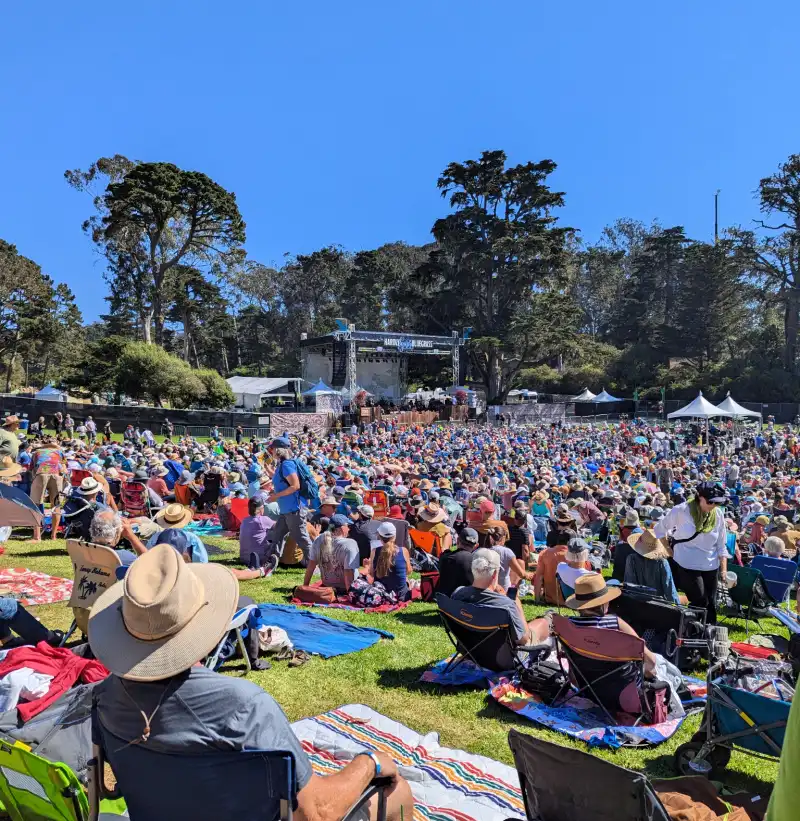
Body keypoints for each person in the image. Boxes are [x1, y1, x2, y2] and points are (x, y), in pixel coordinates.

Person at [88, 545, 413, 821]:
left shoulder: (104, 697)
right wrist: (368, 763)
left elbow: (111, 786)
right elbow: (316, 813)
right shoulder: (242, 706)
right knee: (397, 791)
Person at [654, 480, 728, 625]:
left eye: (717, 503)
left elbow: (721, 543)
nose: (713, 505)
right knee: (700, 600)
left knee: (711, 603)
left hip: (711, 564)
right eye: (710, 502)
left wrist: (724, 569)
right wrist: (668, 550)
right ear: (699, 497)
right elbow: (660, 529)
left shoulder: (718, 514)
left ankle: (709, 631)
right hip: (687, 563)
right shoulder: (681, 510)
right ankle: (691, 629)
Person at [452, 550, 551, 655]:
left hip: (469, 651)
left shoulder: (457, 594)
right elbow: (524, 639)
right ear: (495, 573)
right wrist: (516, 603)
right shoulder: (506, 604)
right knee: (546, 621)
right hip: (501, 658)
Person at [565, 573, 657, 677]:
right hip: (620, 684)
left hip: (582, 682)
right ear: (602, 603)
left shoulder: (568, 624)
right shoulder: (615, 623)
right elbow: (651, 660)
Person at [266, 437, 314, 564]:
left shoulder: (287, 465)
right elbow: (280, 479)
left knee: (302, 538)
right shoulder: (283, 464)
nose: (271, 451)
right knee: (277, 536)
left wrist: (276, 496)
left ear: (278, 450)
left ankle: (314, 566)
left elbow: (295, 486)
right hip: (287, 509)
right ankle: (271, 562)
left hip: (294, 509)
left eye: (272, 449)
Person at [303, 514, 360, 594]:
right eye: (348, 526)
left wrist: (305, 586)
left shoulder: (319, 539)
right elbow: (348, 571)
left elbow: (311, 566)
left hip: (327, 585)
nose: (349, 529)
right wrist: (350, 594)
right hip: (345, 588)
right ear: (342, 528)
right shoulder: (350, 543)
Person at [624, 529, 680, 604]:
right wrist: (678, 606)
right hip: (657, 605)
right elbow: (669, 590)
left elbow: (629, 584)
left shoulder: (631, 559)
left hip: (636, 603)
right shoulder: (662, 562)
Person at [367, 521, 410, 600]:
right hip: (401, 596)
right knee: (407, 580)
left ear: (379, 536)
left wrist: (367, 566)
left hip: (381, 595)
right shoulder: (403, 551)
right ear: (394, 536)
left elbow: (372, 574)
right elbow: (408, 571)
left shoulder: (375, 551)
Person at [486, 525, 532, 591]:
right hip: (503, 590)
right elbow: (521, 574)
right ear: (503, 538)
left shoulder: (482, 551)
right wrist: (530, 575)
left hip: (486, 589)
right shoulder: (506, 552)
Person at [239, 497, 279, 570]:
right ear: (261, 509)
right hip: (259, 559)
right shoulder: (263, 520)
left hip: (243, 558)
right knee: (277, 541)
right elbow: (280, 526)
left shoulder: (244, 520)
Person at [438, 527, 479, 597]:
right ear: (476, 546)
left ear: (457, 541)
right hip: (464, 600)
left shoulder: (444, 557)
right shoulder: (476, 561)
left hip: (443, 599)